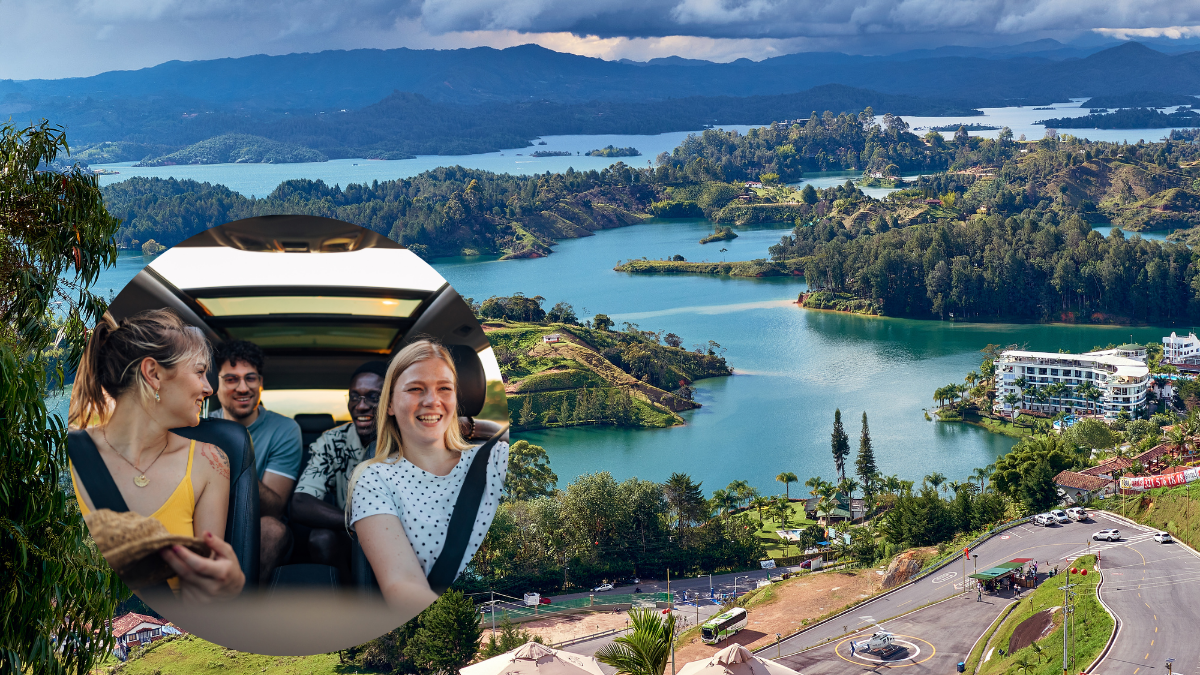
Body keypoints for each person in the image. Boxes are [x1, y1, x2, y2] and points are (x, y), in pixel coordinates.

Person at [67, 309, 245, 601]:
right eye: (199, 372)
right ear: (153, 374)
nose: (209, 388)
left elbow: (202, 591)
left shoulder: (209, 463)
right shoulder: (68, 455)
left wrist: (225, 588)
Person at [292, 360, 505, 576]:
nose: (361, 406)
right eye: (354, 397)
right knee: (322, 538)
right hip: (352, 536)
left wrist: (468, 425)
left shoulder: (418, 432)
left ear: (391, 401)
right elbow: (300, 502)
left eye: (373, 397)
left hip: (418, 533)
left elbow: (497, 434)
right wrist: (365, 520)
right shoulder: (333, 441)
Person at [348, 340, 509, 611]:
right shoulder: (374, 479)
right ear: (389, 404)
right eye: (415, 389)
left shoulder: (497, 457)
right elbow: (402, 587)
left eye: (444, 388)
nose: (432, 400)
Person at [208, 340, 303, 584]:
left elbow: (274, 508)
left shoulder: (284, 429)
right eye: (231, 379)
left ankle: (246, 602)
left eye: (250, 378)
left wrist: (233, 457)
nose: (243, 388)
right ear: (215, 384)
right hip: (207, 518)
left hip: (257, 525)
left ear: (260, 382)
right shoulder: (201, 425)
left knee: (272, 528)